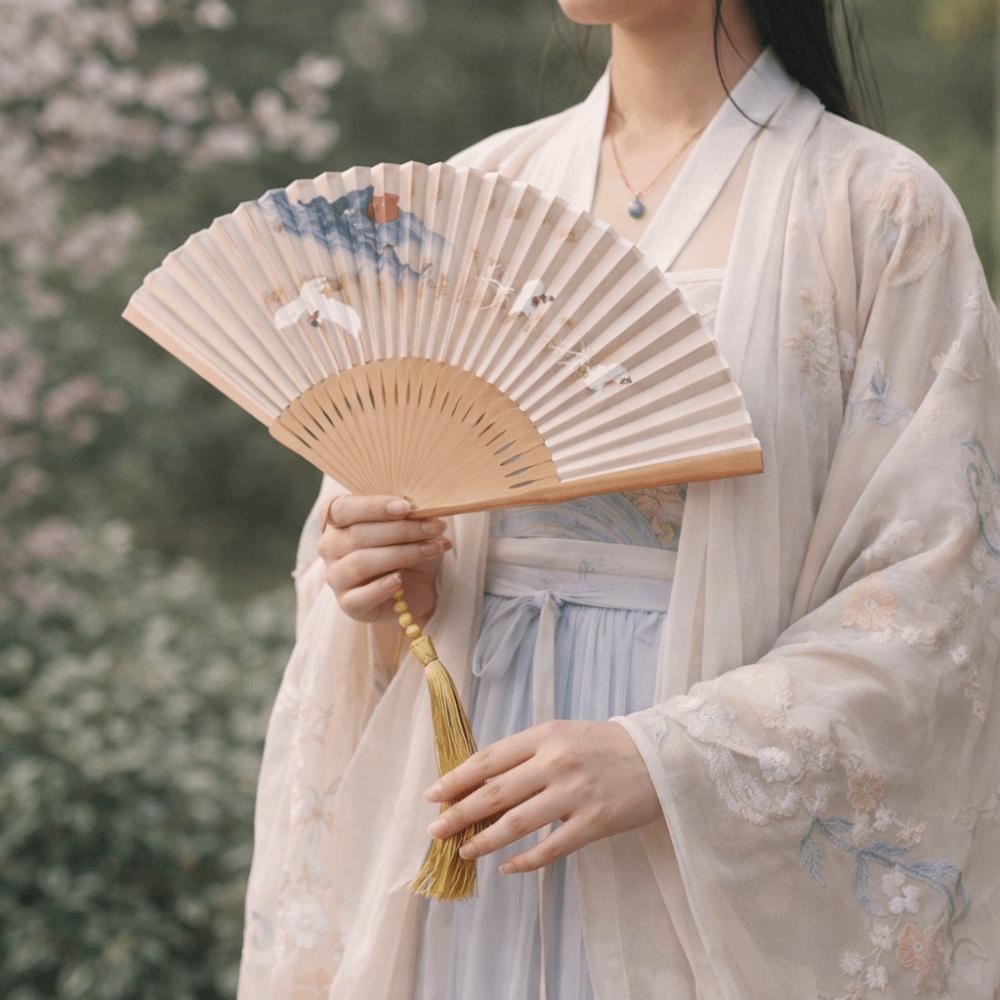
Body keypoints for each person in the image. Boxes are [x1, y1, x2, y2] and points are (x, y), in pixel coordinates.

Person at [236, 2, 1000, 999]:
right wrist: (382, 591)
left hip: (698, 826)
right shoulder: (480, 193)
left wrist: (668, 756)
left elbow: (937, 593)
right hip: (477, 797)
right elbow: (380, 559)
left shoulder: (877, 208)